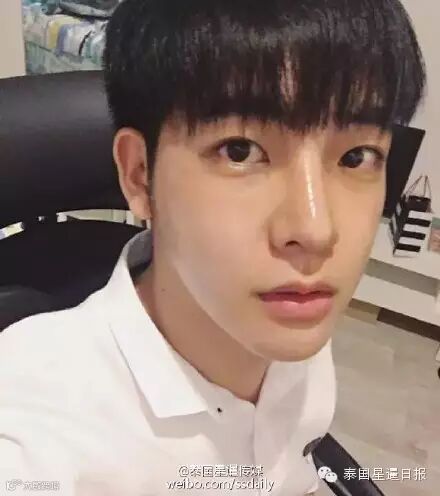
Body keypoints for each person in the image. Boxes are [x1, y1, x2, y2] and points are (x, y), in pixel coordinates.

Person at [0, 0, 426, 494]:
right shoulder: (34, 428)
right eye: (240, 151)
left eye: (357, 156)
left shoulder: (289, 317)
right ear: (139, 174)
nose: (316, 230)